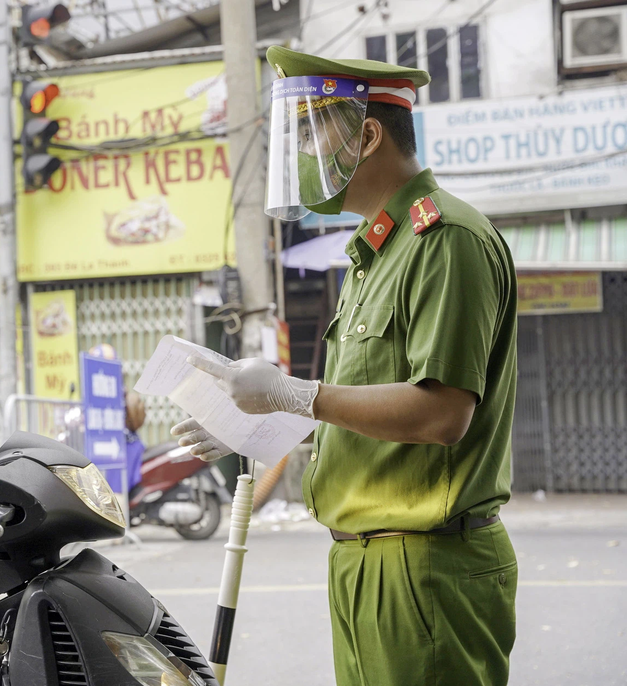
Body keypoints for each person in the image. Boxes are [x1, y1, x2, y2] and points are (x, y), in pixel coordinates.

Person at [173, 47, 518, 686]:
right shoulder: (372, 255)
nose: (302, 149)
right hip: (363, 562)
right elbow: (358, 410)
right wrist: (257, 424)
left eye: (313, 128)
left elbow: (441, 414)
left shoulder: (444, 240)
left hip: (427, 567)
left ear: (367, 134)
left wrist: (291, 394)